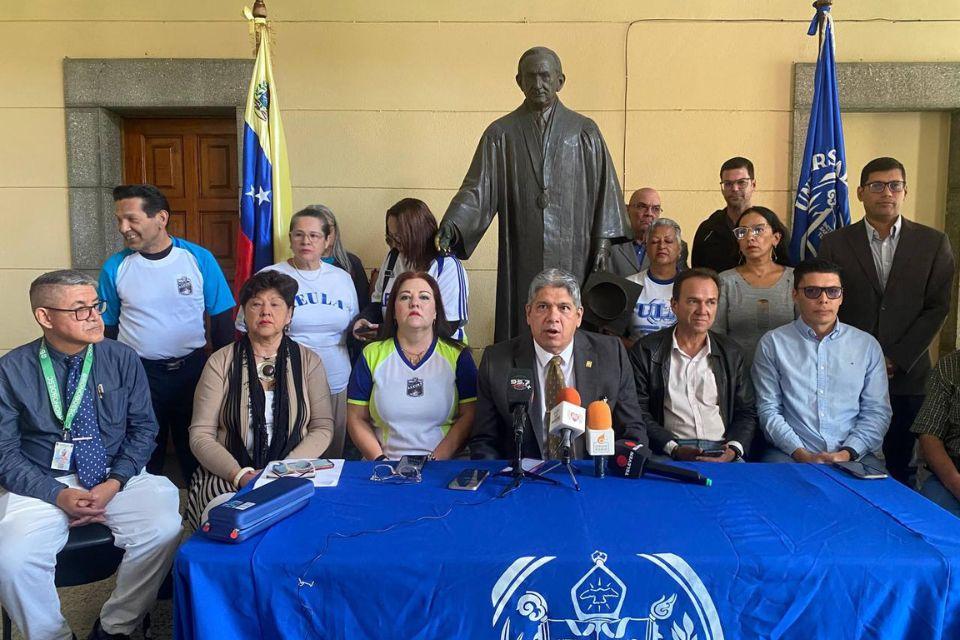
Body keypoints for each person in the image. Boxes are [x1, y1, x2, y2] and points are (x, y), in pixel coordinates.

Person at [0, 270, 181, 640]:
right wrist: (57, 494)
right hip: (43, 480)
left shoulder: (122, 357)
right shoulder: (11, 369)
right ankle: (52, 635)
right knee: (11, 558)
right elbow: (4, 452)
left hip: (115, 474)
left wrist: (115, 482)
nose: (95, 316)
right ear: (45, 317)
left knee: (164, 527)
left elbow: (143, 429)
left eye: (96, 305)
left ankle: (116, 626)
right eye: (80, 309)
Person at [437, 46, 629, 343]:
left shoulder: (583, 131)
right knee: (523, 319)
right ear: (519, 81)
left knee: (571, 318)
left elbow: (607, 190)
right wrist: (454, 223)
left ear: (560, 81)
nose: (538, 84)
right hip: (522, 249)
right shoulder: (501, 134)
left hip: (575, 250)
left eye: (545, 76)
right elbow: (478, 188)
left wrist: (603, 244)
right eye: (531, 77)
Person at [819, 157, 956, 484]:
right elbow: (828, 305)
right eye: (877, 185)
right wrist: (860, 358)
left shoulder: (933, 243)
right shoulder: (835, 243)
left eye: (895, 185)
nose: (887, 193)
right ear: (860, 192)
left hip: (908, 375)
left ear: (905, 191)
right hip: (849, 373)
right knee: (846, 462)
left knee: (901, 467)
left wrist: (896, 358)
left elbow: (937, 307)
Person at [99, 183, 236, 480]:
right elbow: (107, 327)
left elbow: (222, 319)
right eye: (119, 220)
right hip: (138, 375)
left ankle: (199, 503)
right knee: (143, 452)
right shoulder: (115, 267)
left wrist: (228, 373)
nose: (123, 228)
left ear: (161, 218)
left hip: (193, 371)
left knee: (198, 449)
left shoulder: (198, 258)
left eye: (132, 219)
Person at [188, 270, 334, 528]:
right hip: (228, 473)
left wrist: (281, 471)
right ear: (243, 313)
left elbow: (322, 427)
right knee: (233, 523)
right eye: (256, 304)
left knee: (309, 524)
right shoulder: (220, 362)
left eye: (275, 304)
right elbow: (201, 434)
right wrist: (240, 474)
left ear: (289, 314)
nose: (266, 312)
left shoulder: (309, 362)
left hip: (293, 470)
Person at [470, 268, 648, 460]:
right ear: (528, 313)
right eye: (543, 307)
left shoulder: (611, 355)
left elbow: (632, 430)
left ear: (578, 316)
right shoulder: (496, 361)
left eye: (564, 308)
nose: (553, 317)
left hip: (591, 473)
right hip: (524, 474)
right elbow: (484, 442)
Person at [238, 208, 358, 458]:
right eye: (299, 235)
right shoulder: (270, 276)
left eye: (314, 235)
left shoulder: (343, 279)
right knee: (289, 457)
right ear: (290, 238)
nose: (306, 241)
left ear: (328, 240)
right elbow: (246, 326)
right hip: (285, 381)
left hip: (336, 381)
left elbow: (352, 327)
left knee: (331, 456)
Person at [752, 258, 891, 465]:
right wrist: (802, 454)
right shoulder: (773, 343)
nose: (824, 300)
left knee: (878, 487)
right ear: (795, 295)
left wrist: (845, 454)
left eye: (832, 291)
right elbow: (769, 409)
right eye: (812, 291)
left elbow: (877, 412)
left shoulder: (866, 345)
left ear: (841, 296)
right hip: (790, 454)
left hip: (855, 454)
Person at [628, 269, 756, 462]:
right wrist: (673, 448)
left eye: (710, 302)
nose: (702, 310)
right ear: (674, 305)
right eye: (693, 301)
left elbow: (746, 412)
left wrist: (733, 449)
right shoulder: (646, 350)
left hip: (723, 450)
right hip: (668, 451)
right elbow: (638, 410)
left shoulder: (732, 352)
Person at [347, 272, 477, 460]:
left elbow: (469, 415)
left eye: (424, 297)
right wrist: (380, 461)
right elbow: (356, 418)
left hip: (442, 465)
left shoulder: (458, 356)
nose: (414, 303)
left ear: (436, 311)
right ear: (393, 311)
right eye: (405, 297)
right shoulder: (371, 354)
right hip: (384, 465)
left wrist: (435, 461)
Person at [354, 198, 469, 342]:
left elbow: (448, 326)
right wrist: (365, 319)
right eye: (389, 239)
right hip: (396, 348)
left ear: (418, 235)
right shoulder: (393, 258)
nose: (394, 246)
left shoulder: (446, 266)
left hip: (439, 350)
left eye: (398, 239)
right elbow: (378, 302)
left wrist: (385, 331)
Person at [715, 206, 796, 367]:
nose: (750, 237)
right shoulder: (725, 281)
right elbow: (716, 335)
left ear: (776, 238)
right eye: (742, 232)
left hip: (788, 372)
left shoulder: (795, 279)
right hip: (737, 373)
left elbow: (806, 332)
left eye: (758, 230)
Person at [691, 157, 790, 273]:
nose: (734, 189)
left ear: (753, 185)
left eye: (741, 182)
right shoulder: (708, 230)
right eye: (728, 184)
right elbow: (697, 274)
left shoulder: (772, 228)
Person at [911, 350, 960, 517]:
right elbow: (929, 434)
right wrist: (956, 484)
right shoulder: (949, 366)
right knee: (924, 520)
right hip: (952, 474)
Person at [624, 218, 682, 344]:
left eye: (668, 241)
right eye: (655, 241)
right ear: (646, 248)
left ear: (679, 249)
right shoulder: (630, 284)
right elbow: (614, 335)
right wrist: (640, 351)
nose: (662, 246)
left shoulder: (690, 286)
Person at [610, 187, 689, 277]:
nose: (649, 213)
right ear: (627, 209)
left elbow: (681, 280)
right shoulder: (609, 244)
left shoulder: (676, 247)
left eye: (655, 209)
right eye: (642, 207)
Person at [308, 204, 371, 313]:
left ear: (335, 230)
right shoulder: (298, 266)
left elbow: (363, 305)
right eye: (317, 230)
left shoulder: (352, 262)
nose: (324, 234)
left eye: (328, 228)